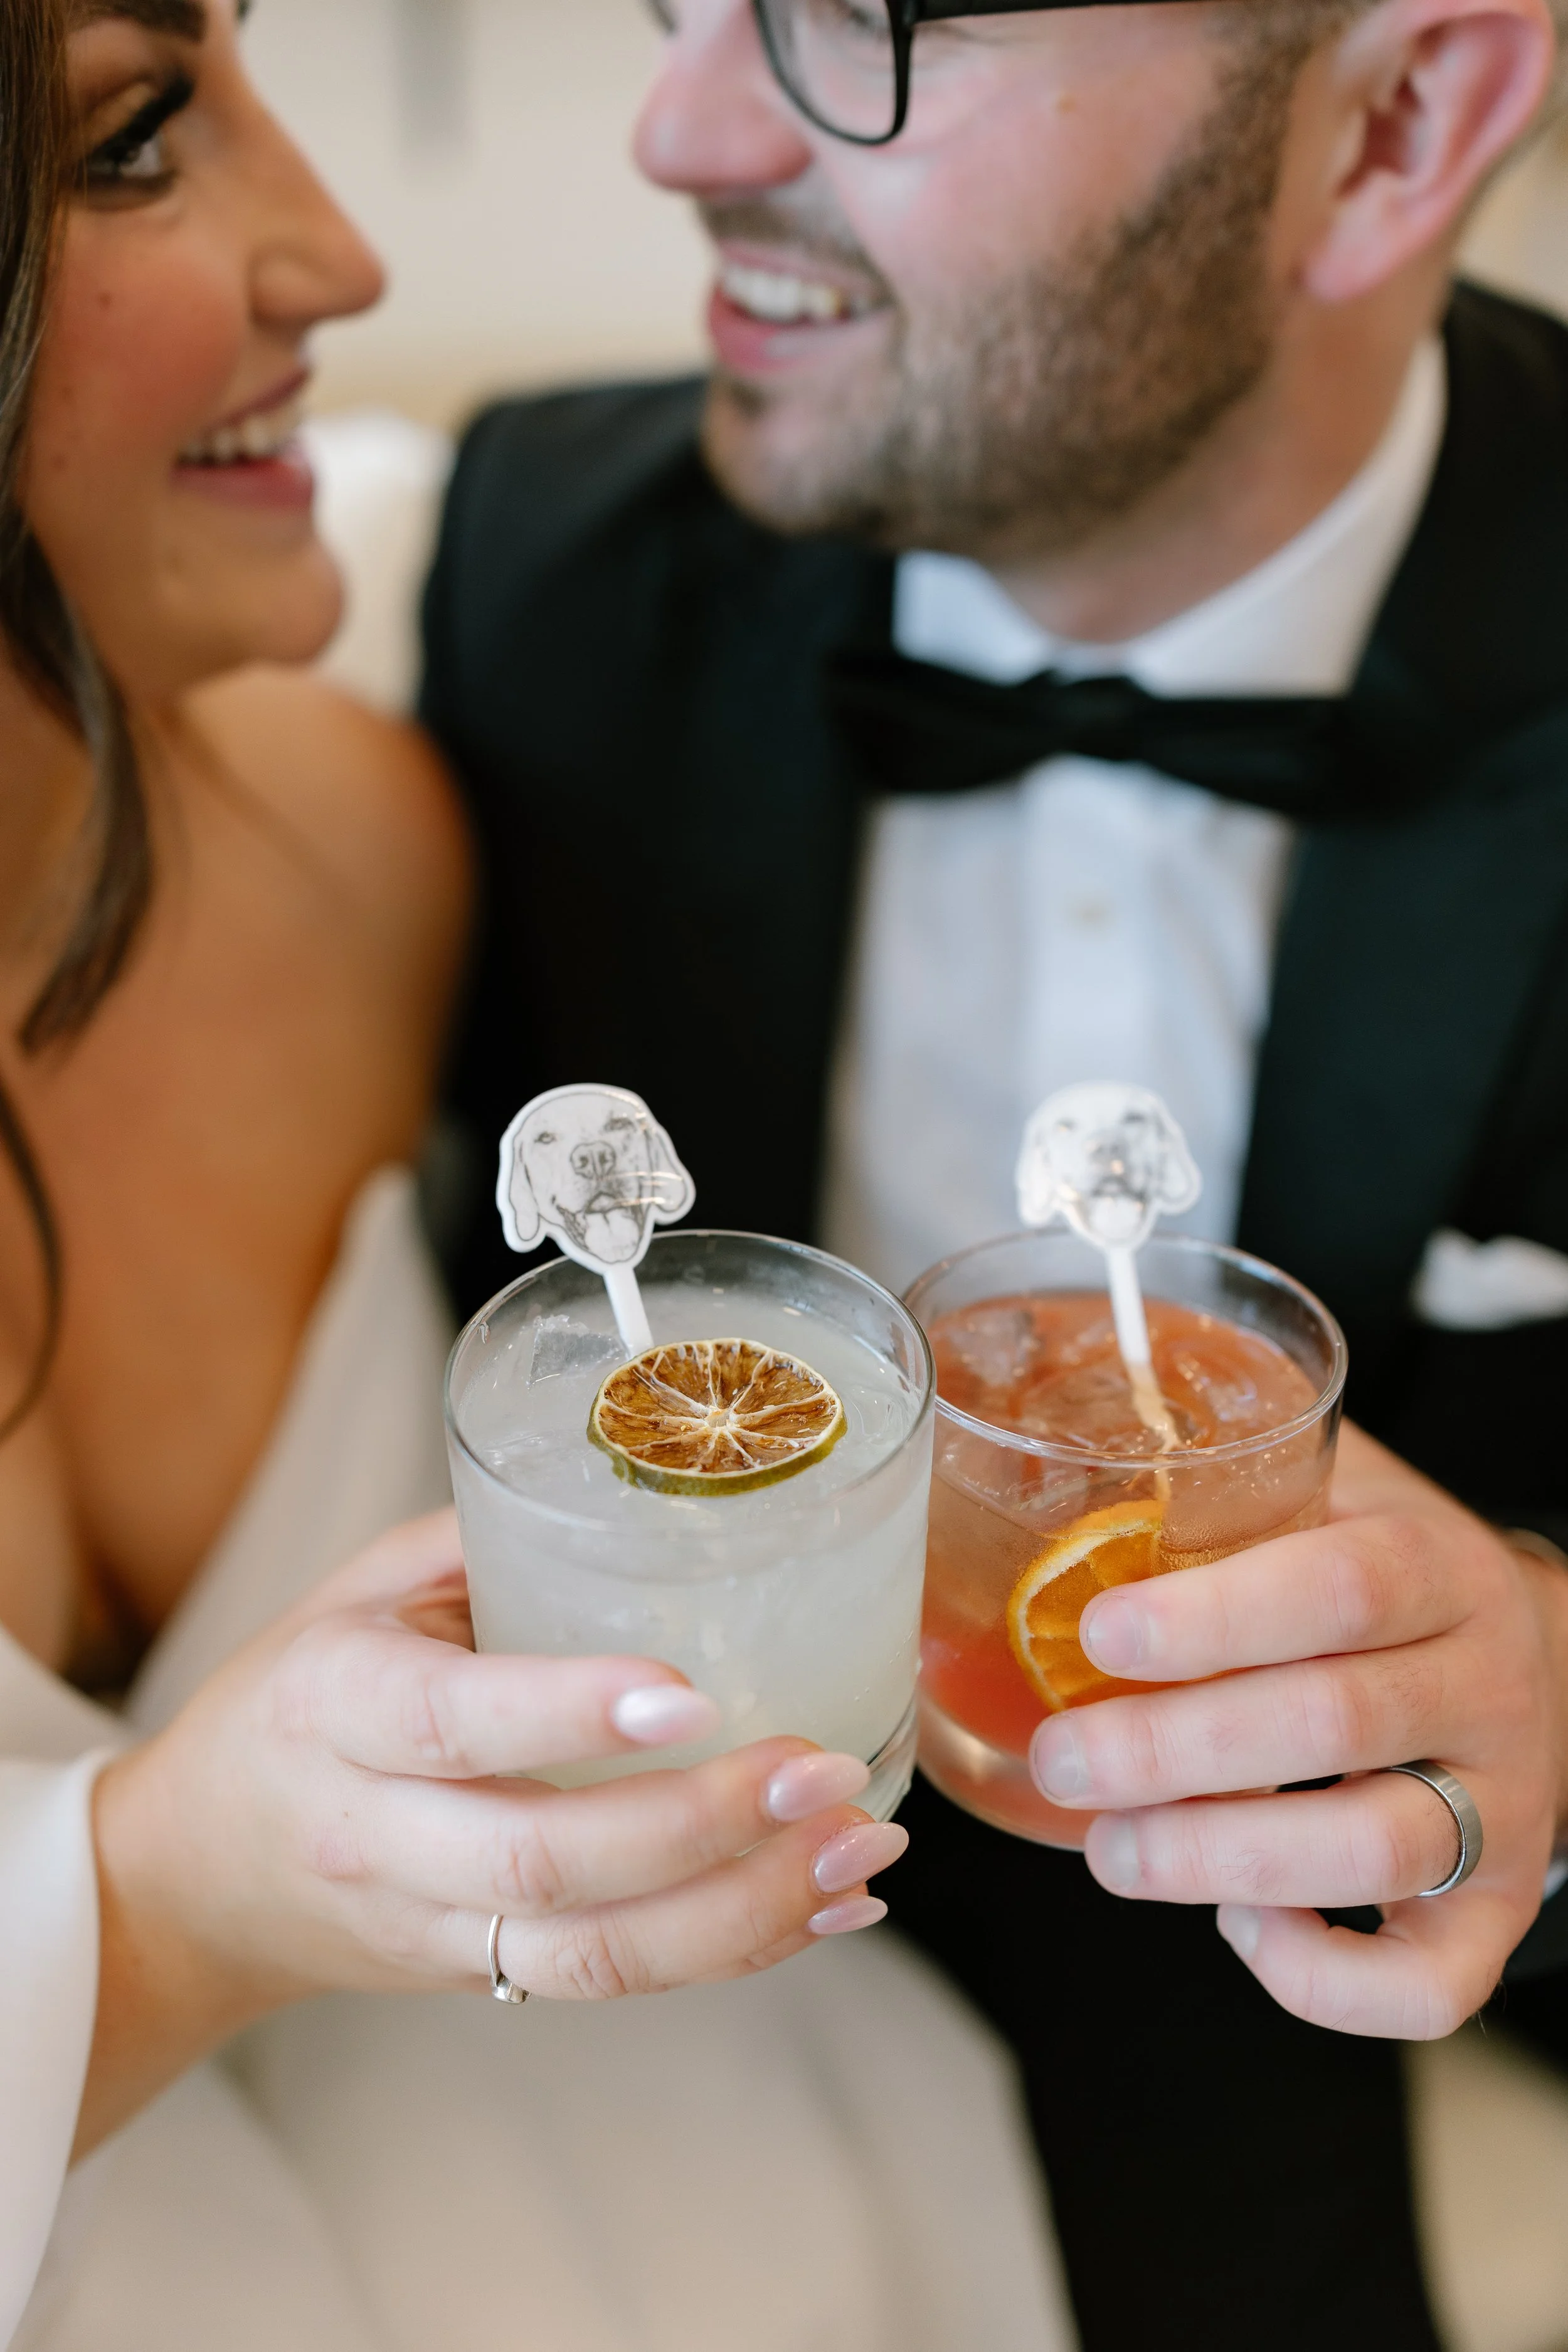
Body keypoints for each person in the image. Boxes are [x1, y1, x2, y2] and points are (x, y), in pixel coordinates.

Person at [420, 0, 1568, 2344]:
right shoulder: (529, 580)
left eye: (868, 23)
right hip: (672, 2090)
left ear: (1397, 124)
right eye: (685, 3)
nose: (677, 128)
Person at [0, 7, 1076, 2348]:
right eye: (143, 134)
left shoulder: (359, 852)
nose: (345, 254)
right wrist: (166, 1900)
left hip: (733, 2226)